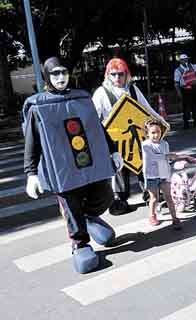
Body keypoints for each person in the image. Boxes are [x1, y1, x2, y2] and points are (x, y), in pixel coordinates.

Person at [22, 57, 123, 274]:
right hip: (62, 169)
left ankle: (89, 217)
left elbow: (97, 127)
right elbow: (32, 142)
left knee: (104, 195)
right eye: (55, 73)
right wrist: (31, 173)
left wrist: (112, 149)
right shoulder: (38, 106)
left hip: (89, 162)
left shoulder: (82, 98)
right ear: (47, 77)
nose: (60, 77)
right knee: (71, 205)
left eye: (64, 72)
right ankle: (80, 243)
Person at [93, 58, 158, 215]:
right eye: (113, 74)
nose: (117, 78)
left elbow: (147, 110)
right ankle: (119, 200)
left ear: (126, 74)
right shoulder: (101, 93)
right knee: (119, 169)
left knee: (143, 165)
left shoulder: (133, 89)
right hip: (114, 140)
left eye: (120, 74)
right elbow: (93, 117)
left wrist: (160, 123)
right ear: (108, 75)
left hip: (136, 139)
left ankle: (150, 194)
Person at [141, 118, 182, 230]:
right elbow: (153, 157)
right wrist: (167, 156)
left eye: (158, 132)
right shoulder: (145, 145)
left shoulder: (164, 143)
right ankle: (152, 215)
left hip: (164, 174)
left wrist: (171, 159)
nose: (156, 135)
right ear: (147, 133)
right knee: (154, 198)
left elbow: (167, 158)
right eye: (153, 133)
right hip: (151, 175)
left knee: (168, 197)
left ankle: (175, 218)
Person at [174, 50, 196, 129]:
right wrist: (179, 93)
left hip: (194, 89)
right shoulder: (178, 70)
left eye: (186, 59)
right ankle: (186, 123)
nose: (185, 60)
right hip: (185, 90)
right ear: (180, 61)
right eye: (183, 59)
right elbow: (176, 83)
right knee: (186, 107)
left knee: (195, 105)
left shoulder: (191, 66)